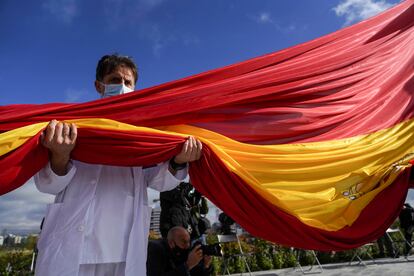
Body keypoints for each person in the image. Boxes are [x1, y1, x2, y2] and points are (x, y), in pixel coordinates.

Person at [34, 54, 203, 276]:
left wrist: (179, 160)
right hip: (72, 249)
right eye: (115, 80)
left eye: (128, 82)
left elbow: (158, 180)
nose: (122, 87)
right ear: (99, 85)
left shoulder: (143, 133)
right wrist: (59, 155)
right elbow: (47, 185)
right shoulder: (73, 126)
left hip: (125, 252)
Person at [147, 226, 213, 276]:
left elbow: (192, 272)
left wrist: (206, 266)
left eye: (188, 242)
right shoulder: (155, 249)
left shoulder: (180, 252)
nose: (187, 246)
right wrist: (188, 265)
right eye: (184, 242)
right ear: (171, 243)